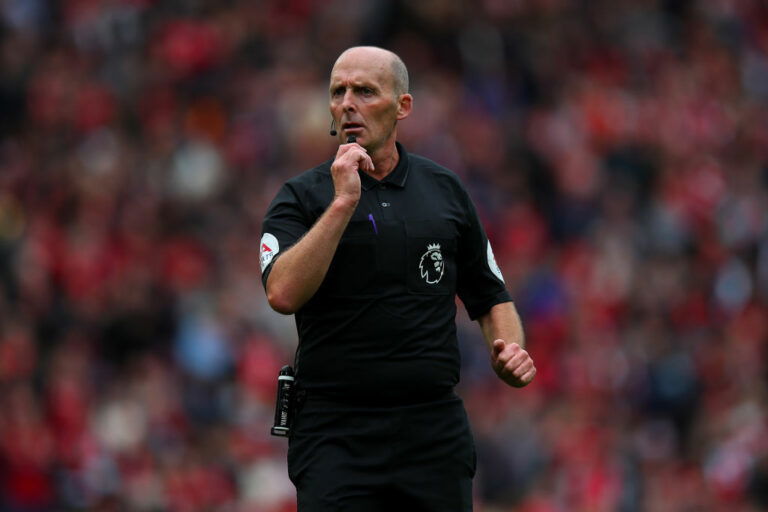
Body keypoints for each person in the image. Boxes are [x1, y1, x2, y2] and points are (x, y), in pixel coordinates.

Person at [259, 46, 536, 511]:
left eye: (365, 91)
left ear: (402, 106)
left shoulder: (444, 191)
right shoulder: (301, 198)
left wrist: (508, 349)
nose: (348, 103)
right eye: (338, 91)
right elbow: (282, 292)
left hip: (430, 429)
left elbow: (491, 295)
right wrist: (343, 202)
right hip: (335, 432)